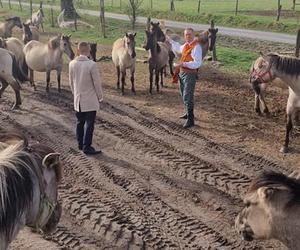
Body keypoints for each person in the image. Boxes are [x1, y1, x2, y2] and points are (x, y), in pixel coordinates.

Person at [69, 41, 103, 155]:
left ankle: (80, 144)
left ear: (78, 50)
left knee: (79, 122)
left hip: (78, 100)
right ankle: (87, 146)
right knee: (89, 124)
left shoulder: (72, 64)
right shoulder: (92, 64)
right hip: (90, 100)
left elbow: (71, 82)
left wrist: (75, 94)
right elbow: (97, 83)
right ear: (88, 51)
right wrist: (100, 97)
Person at [166, 28, 202, 128]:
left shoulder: (196, 47)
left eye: (189, 35)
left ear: (193, 35)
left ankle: (191, 120)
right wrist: (170, 40)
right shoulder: (186, 45)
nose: (187, 36)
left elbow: (197, 63)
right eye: (186, 35)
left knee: (187, 96)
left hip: (190, 74)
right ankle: (187, 113)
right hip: (182, 72)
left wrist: (183, 63)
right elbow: (178, 48)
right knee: (183, 94)